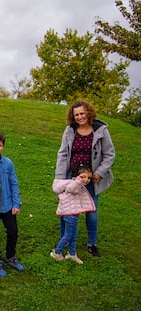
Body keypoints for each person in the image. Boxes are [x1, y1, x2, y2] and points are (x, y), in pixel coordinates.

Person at [55, 99, 115, 257]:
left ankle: (92, 243)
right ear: (73, 116)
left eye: (82, 113)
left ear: (88, 112)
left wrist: (100, 172)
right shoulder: (70, 130)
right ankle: (65, 238)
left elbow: (109, 154)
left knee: (92, 212)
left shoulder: (100, 130)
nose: (80, 117)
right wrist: (60, 178)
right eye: (76, 115)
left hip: (91, 178)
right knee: (66, 210)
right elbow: (62, 153)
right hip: (71, 177)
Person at [0, 130, 24, 278]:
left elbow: (14, 183)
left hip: (7, 203)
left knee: (12, 231)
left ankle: (10, 256)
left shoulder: (7, 163)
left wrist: (16, 204)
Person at [51, 164, 96, 265]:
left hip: (71, 213)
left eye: (89, 177)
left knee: (73, 235)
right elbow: (73, 189)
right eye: (83, 176)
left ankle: (72, 254)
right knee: (68, 234)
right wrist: (79, 181)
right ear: (77, 176)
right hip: (70, 214)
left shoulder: (77, 184)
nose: (86, 179)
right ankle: (57, 252)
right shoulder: (74, 184)